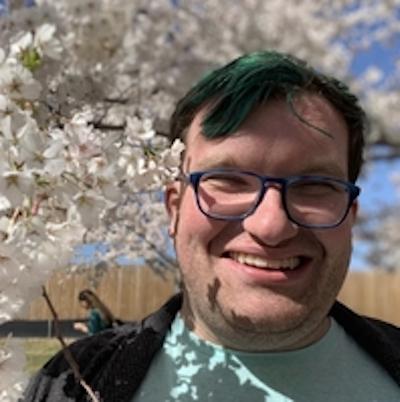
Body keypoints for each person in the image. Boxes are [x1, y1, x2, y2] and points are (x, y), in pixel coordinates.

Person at [22, 51, 400, 401]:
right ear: (174, 209)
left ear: (350, 214)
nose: (271, 225)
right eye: (229, 180)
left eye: (316, 186)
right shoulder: (66, 384)